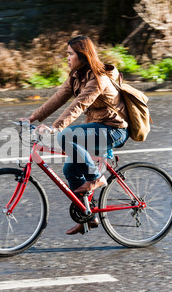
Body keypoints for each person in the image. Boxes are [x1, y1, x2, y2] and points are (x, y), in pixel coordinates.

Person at [20, 35, 130, 235]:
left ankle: (96, 177)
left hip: (114, 130)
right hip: (98, 127)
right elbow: (58, 98)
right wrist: (32, 118)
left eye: (70, 54)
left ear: (83, 55)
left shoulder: (99, 78)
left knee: (66, 135)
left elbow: (79, 105)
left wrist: (55, 128)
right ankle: (87, 216)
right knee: (70, 169)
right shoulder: (76, 76)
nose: (67, 58)